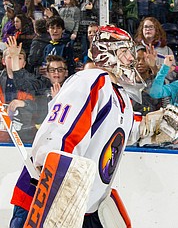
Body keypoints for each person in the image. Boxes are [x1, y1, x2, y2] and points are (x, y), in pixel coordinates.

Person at [10, 25, 140, 227]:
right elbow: (59, 135)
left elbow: (124, 132)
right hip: (49, 202)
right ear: (107, 52)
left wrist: (154, 126)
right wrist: (53, 194)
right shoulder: (90, 80)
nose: (131, 59)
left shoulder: (120, 94)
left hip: (82, 208)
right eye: (124, 52)